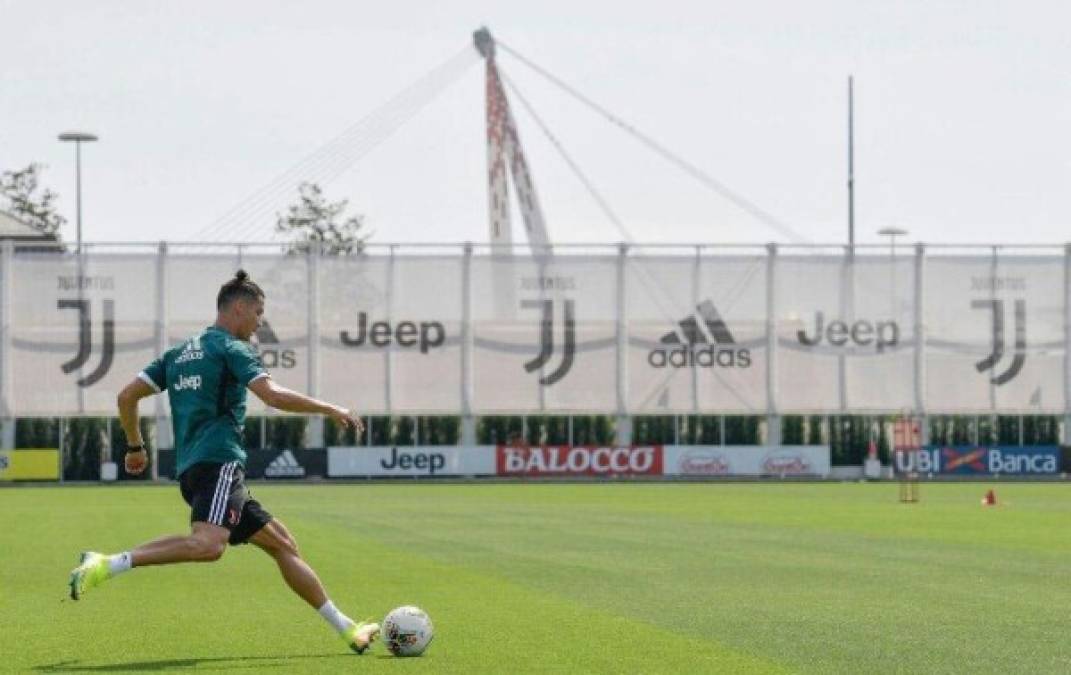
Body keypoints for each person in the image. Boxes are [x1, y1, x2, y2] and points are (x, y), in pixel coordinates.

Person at [68, 270, 379, 654]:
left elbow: (126, 397)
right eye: (258, 312)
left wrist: (135, 447)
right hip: (219, 464)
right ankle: (108, 564)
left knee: (282, 544)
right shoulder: (232, 349)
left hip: (195, 470)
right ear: (238, 308)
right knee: (209, 546)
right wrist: (331, 408)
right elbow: (274, 396)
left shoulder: (178, 354)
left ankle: (347, 629)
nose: (260, 322)